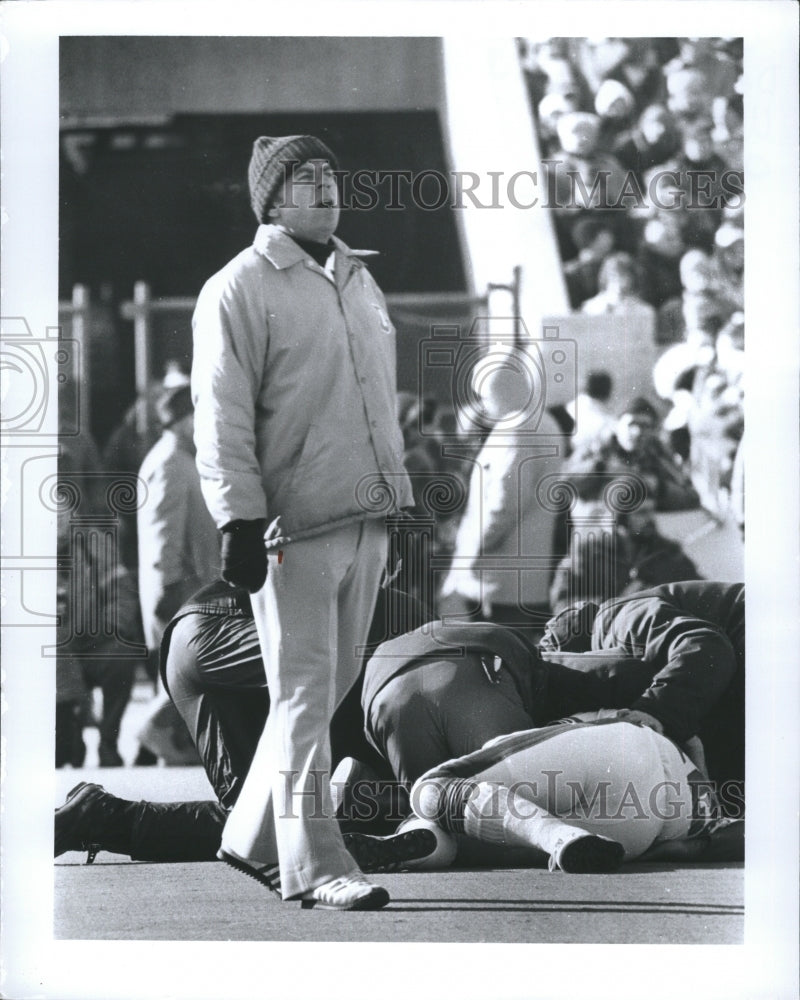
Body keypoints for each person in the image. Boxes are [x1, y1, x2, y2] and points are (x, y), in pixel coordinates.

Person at [191, 134, 413, 910]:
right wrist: (239, 519)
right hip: (294, 528)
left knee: (327, 687)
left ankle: (251, 835)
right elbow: (220, 416)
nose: (326, 186)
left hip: (367, 515)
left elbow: (375, 403)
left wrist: (398, 497)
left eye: (330, 173)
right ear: (271, 200)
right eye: (305, 177)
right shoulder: (238, 287)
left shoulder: (357, 277)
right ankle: (318, 866)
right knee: (305, 691)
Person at [54, 582, 435, 873]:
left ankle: (97, 816)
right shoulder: (407, 620)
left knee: (254, 820)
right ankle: (100, 817)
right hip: (233, 634)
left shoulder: (380, 604)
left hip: (192, 635)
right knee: (276, 824)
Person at [364, 581, 744, 812]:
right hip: (745, 681)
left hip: (753, 658)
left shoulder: (618, 617)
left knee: (467, 799)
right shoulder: (624, 645)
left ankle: (373, 799)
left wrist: (653, 713)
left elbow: (707, 646)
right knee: (502, 800)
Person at [403, 715, 742, 873]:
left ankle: (555, 836)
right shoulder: (716, 807)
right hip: (649, 827)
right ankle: (558, 838)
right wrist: (668, 850)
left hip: (622, 754)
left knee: (431, 789)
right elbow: (712, 841)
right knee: (466, 832)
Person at [439, 346, 568, 630]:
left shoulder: (515, 428)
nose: (484, 405)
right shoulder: (543, 421)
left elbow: (505, 502)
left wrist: (471, 552)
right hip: (524, 573)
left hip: (499, 577)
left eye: (486, 396)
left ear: (500, 390)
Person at [135, 382, 220, 766]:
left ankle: (162, 748)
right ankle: (153, 730)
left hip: (188, 586)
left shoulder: (176, 458)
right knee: (188, 669)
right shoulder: (171, 462)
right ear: (186, 421)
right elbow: (162, 538)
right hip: (182, 589)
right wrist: (168, 588)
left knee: (183, 670)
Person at [562, 396, 700, 511]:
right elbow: (563, 483)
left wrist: (656, 486)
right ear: (616, 425)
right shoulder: (596, 449)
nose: (637, 432)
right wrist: (601, 469)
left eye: (645, 426)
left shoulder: (656, 456)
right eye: (631, 424)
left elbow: (691, 497)